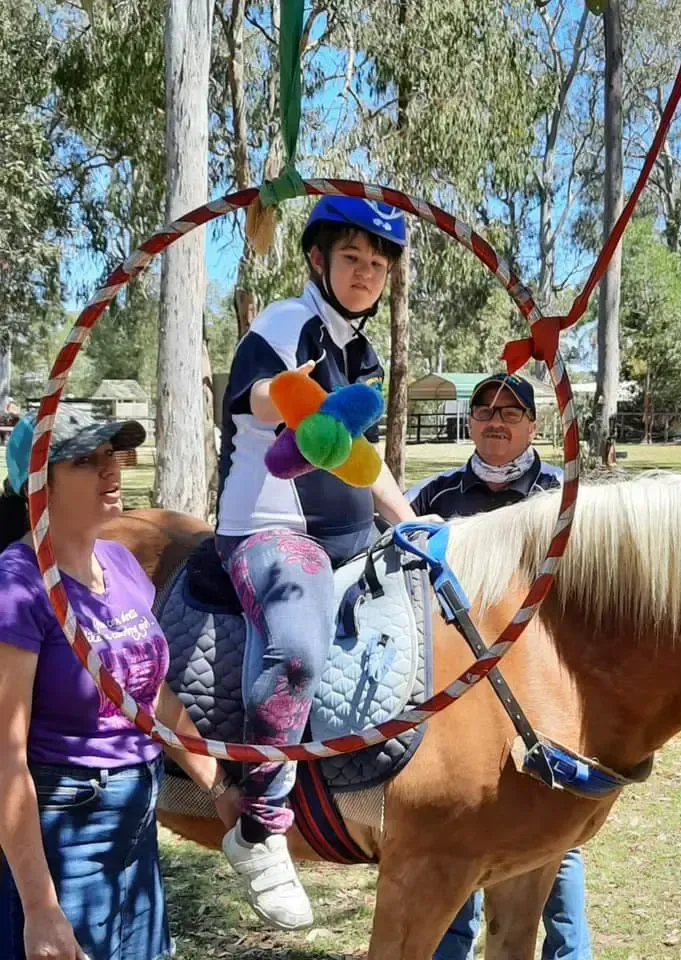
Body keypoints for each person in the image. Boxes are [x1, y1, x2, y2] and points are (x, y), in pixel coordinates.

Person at [215, 196, 421, 930]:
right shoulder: (284, 323)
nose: (366, 274)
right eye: (352, 259)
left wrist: (411, 522)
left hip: (350, 543)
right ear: (316, 260)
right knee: (298, 649)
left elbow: (363, 462)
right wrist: (294, 395)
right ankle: (259, 828)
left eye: (377, 264)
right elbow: (262, 398)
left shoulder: (360, 351)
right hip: (272, 536)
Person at [0, 405, 241, 960]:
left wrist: (218, 786)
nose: (112, 470)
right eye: (86, 460)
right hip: (68, 827)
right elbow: (6, 755)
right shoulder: (19, 587)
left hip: (137, 817)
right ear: (39, 486)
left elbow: (148, 692)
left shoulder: (122, 564)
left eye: (112, 455)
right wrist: (40, 908)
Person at [408, 373, 592, 960]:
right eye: (484, 409)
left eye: (511, 412)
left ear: (533, 427)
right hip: (462, 697)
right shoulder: (434, 498)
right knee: (458, 826)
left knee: (555, 839)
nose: (496, 420)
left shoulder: (565, 497)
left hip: (549, 694)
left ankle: (571, 952)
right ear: (470, 422)